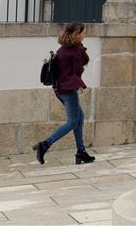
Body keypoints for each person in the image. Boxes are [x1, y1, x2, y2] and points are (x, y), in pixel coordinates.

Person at [33, 22, 96, 165]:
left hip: (59, 90)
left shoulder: (62, 49)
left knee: (79, 119)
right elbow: (76, 72)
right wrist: (79, 84)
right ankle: (45, 145)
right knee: (73, 122)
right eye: (83, 32)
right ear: (76, 35)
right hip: (68, 91)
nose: (85, 34)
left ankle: (81, 152)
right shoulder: (75, 51)